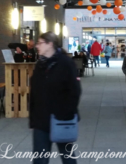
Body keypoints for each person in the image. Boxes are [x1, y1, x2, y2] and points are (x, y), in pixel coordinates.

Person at [29, 32, 81, 164]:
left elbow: (75, 91)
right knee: (39, 159)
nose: (37, 46)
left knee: (68, 158)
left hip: (62, 120)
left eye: (40, 43)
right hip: (41, 121)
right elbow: (35, 91)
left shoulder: (66, 63)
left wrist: (66, 114)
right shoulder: (40, 65)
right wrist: (33, 117)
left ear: (50, 44)